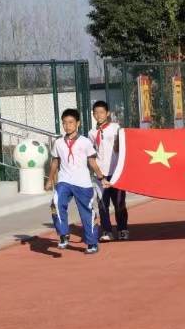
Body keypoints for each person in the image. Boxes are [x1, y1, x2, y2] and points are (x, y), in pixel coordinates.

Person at [45, 108, 109, 254]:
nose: (67, 126)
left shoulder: (85, 142)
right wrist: (49, 179)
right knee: (56, 203)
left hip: (83, 183)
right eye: (64, 123)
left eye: (70, 122)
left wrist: (101, 178)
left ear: (78, 123)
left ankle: (92, 243)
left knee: (86, 212)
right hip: (64, 180)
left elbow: (92, 162)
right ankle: (64, 234)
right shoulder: (58, 143)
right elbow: (55, 162)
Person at [89, 101, 129, 242]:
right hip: (100, 175)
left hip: (116, 173)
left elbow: (122, 146)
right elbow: (92, 153)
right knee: (102, 205)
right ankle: (107, 231)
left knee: (119, 203)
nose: (98, 115)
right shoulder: (92, 133)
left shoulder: (116, 128)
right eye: (95, 113)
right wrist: (98, 174)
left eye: (101, 112)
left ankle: (123, 229)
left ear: (108, 113)